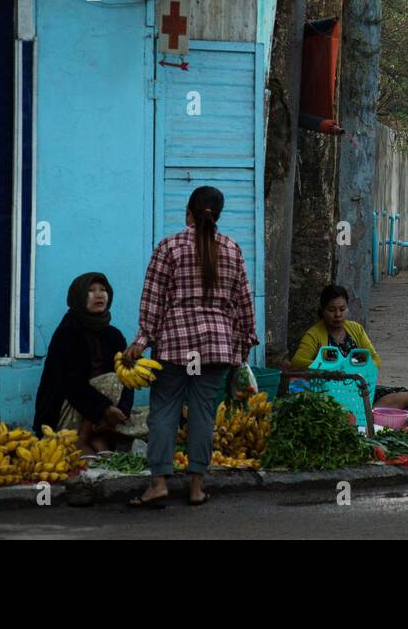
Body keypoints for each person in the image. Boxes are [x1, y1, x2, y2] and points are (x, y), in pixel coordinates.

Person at [125, 186, 259, 508]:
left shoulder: (169, 246)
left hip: (176, 346)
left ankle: (158, 483)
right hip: (214, 348)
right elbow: (243, 305)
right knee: (203, 413)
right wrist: (242, 351)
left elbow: (153, 301)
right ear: (218, 214)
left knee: (164, 411)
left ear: (188, 211)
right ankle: (197, 487)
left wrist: (141, 341)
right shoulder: (232, 248)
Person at [33, 272, 145, 453]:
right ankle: (82, 440)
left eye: (103, 290)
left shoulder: (113, 335)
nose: (99, 295)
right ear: (78, 297)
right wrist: (103, 410)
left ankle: (99, 436)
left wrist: (121, 411)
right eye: (91, 291)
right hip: (67, 413)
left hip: (103, 413)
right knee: (112, 380)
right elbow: (71, 384)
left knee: (152, 417)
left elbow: (129, 378)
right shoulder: (67, 333)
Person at [291, 284, 408, 411]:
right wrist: (329, 367)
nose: (338, 314)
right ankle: (363, 413)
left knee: (406, 394)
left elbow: (374, 358)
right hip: (329, 391)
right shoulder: (315, 334)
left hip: (357, 389)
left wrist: (362, 366)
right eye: (332, 310)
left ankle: (369, 415)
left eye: (342, 309)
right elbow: (297, 362)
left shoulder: (356, 329)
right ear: (323, 310)